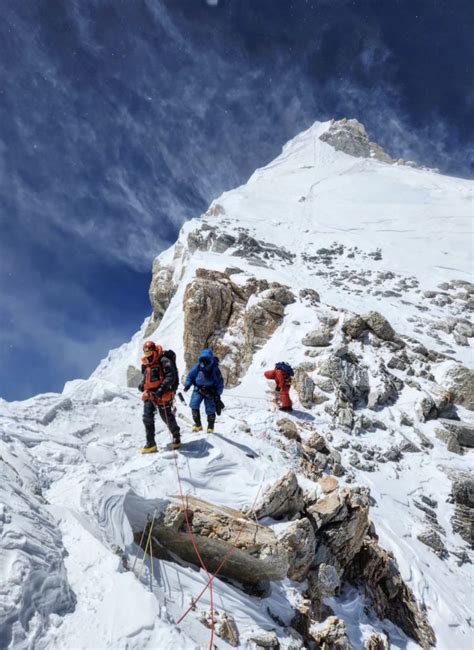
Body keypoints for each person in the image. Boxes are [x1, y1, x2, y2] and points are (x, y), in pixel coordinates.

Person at [138, 341, 181, 453]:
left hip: (162, 392)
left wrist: (162, 389)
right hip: (150, 394)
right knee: (147, 416)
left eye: (150, 353)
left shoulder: (163, 360)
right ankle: (151, 443)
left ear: (154, 350)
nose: (148, 356)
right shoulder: (147, 363)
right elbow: (146, 377)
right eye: (146, 354)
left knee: (165, 416)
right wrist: (142, 384)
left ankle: (176, 436)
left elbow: (171, 376)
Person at [184, 348, 224, 433]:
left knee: (210, 408)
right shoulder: (198, 365)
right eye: (203, 360)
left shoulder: (214, 368)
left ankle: (210, 427)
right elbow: (190, 375)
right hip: (198, 388)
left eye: (206, 360)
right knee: (194, 404)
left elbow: (220, 382)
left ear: (210, 359)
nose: (204, 362)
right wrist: (187, 384)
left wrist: (217, 394)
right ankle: (198, 425)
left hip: (210, 391)